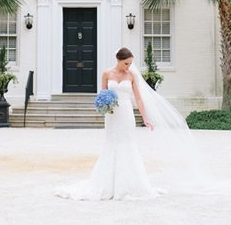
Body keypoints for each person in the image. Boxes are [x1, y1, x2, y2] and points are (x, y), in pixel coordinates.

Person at [55, 47, 161, 200]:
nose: (128, 66)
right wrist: (103, 106)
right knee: (111, 143)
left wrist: (145, 118)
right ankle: (107, 183)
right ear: (118, 60)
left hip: (126, 113)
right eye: (126, 63)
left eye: (130, 63)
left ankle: (128, 184)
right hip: (111, 115)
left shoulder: (131, 75)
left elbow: (138, 98)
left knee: (127, 144)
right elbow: (102, 94)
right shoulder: (106, 74)